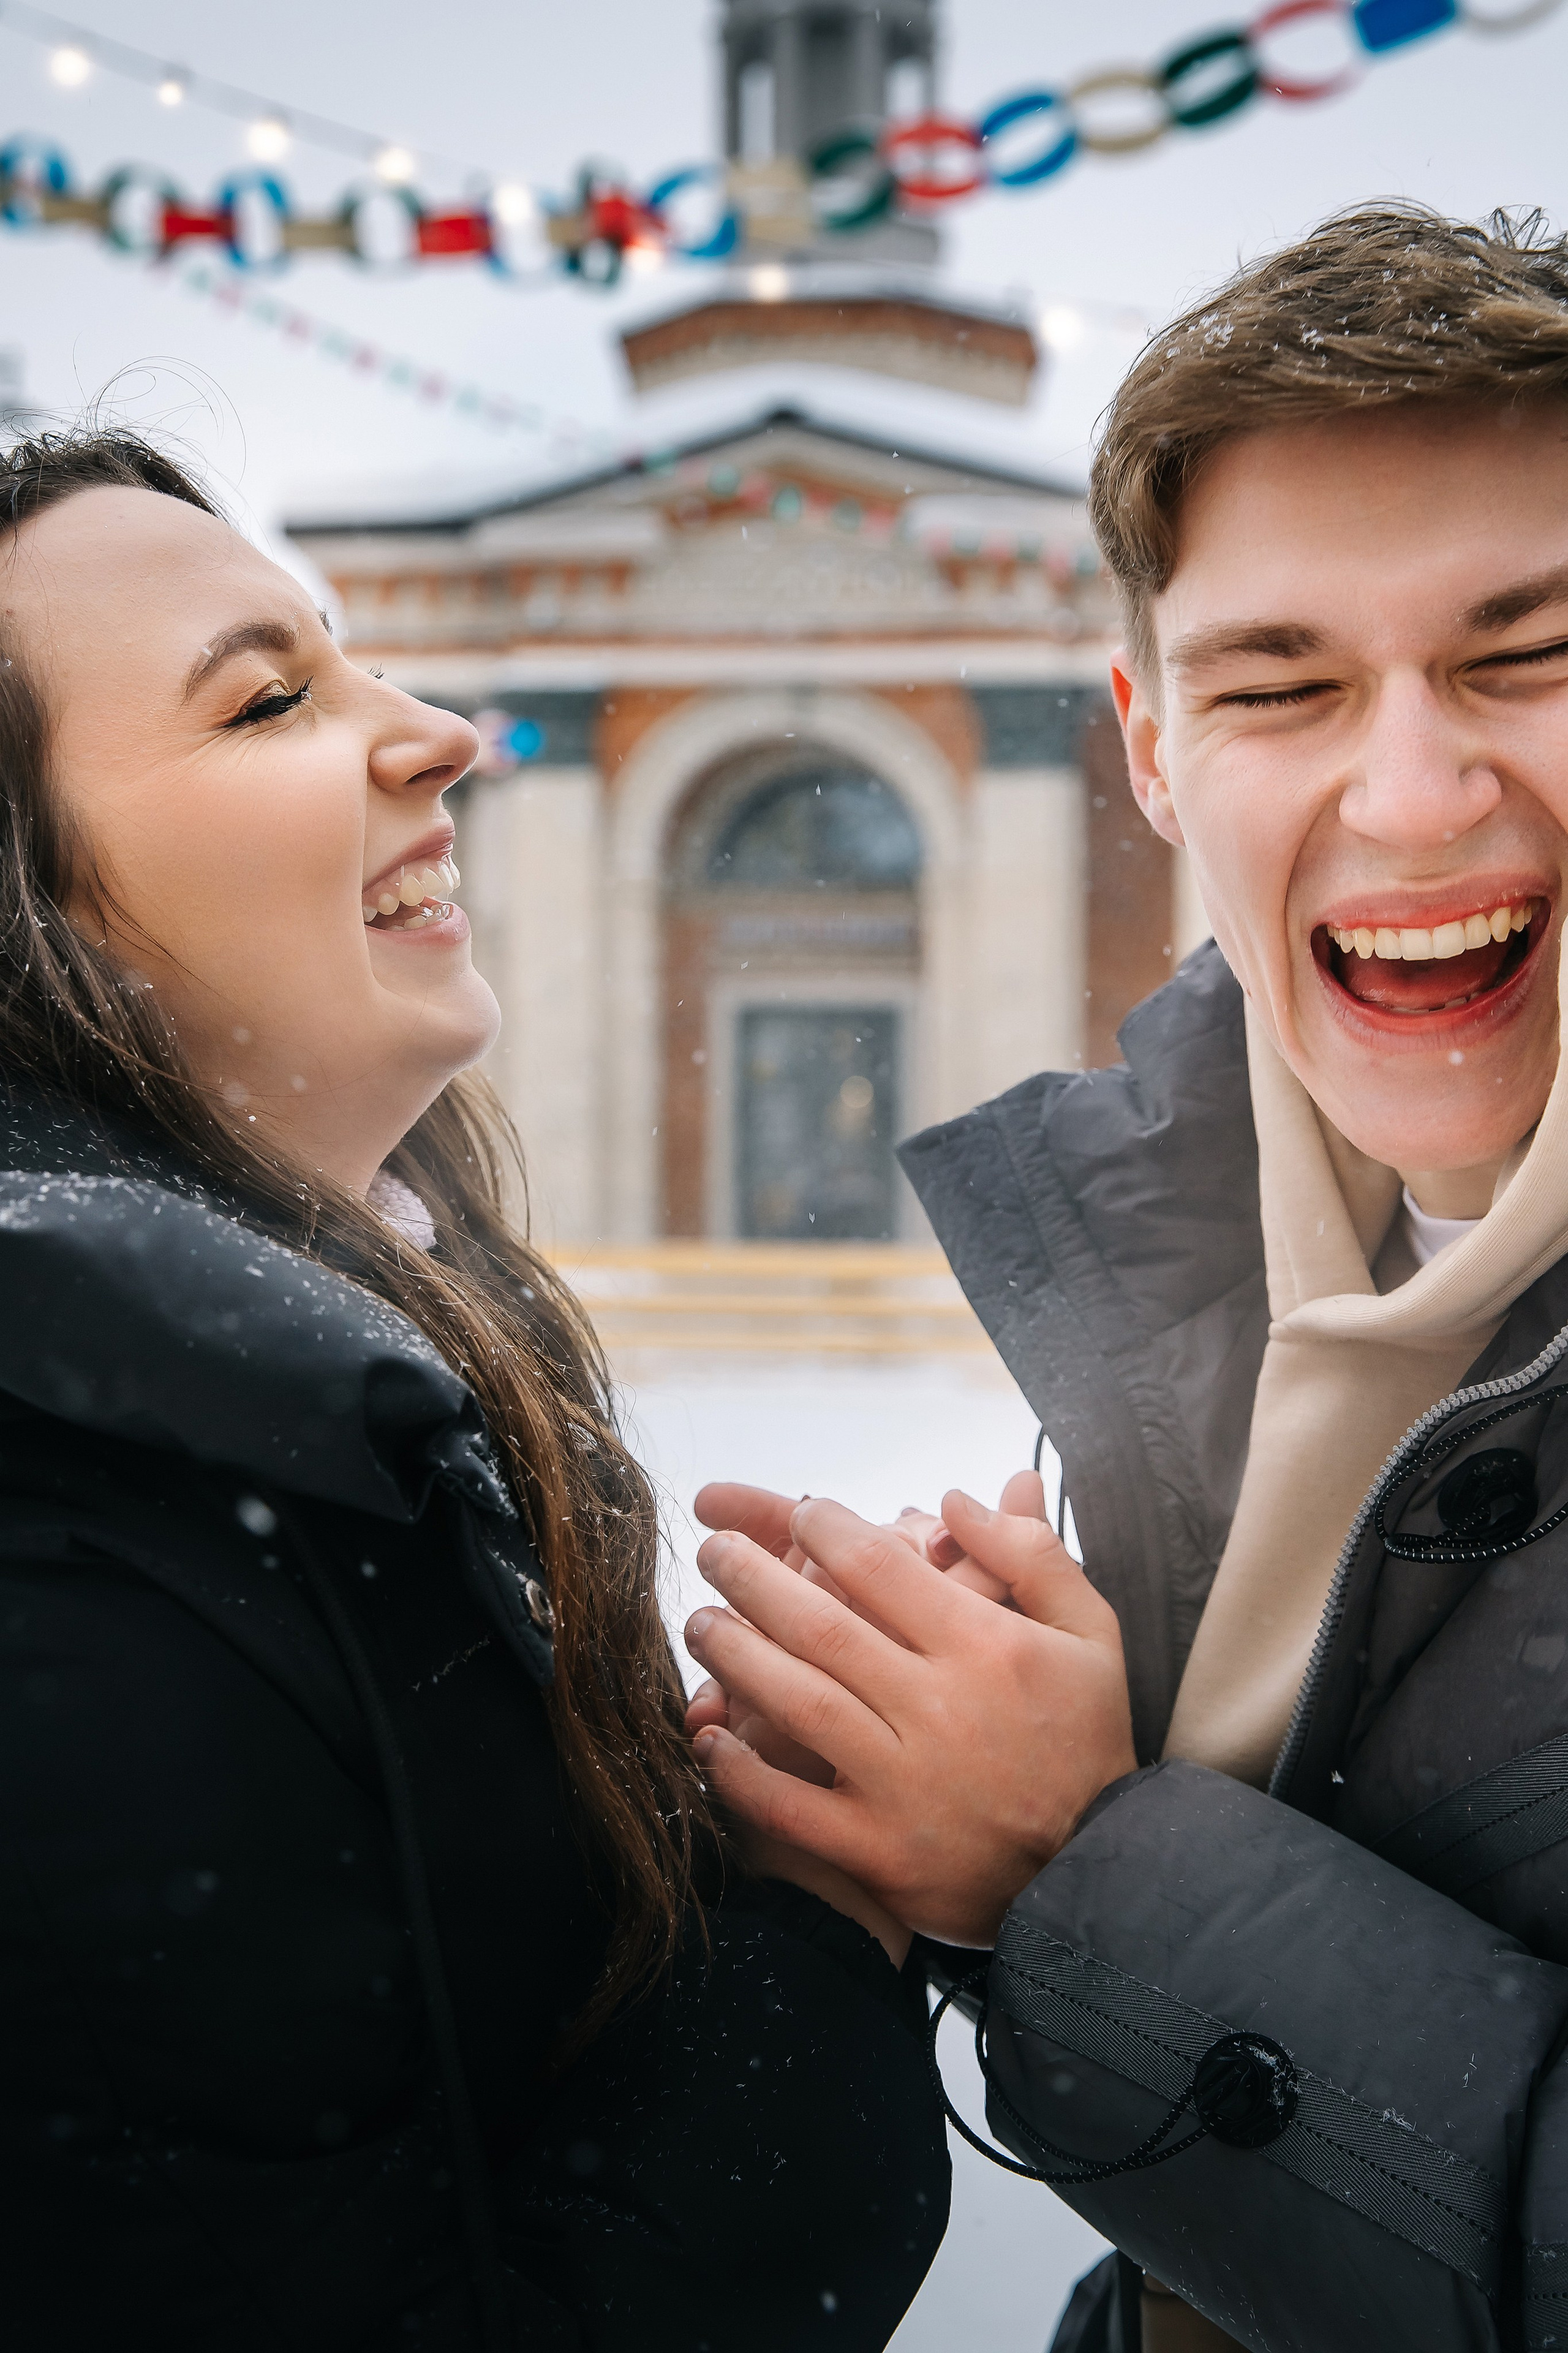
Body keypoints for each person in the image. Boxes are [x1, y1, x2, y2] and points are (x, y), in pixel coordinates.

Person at [681, 203, 1568, 2353]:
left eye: (1526, 655)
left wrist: (1083, 1860)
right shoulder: (1175, 1276)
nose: (1412, 795)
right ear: (1151, 746)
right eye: (1279, 684)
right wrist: (902, 1805)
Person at [0, 430, 949, 2351]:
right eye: (267, 698)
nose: (442, 733)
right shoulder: (63, 1577)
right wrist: (816, 1909)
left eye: (353, 658)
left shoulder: (313, 1403)